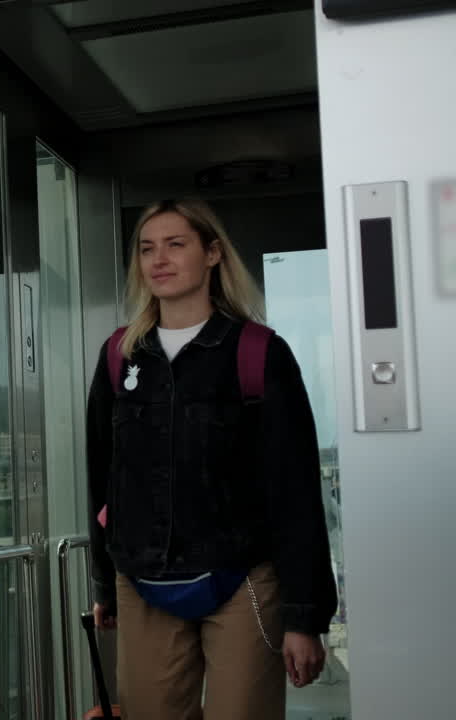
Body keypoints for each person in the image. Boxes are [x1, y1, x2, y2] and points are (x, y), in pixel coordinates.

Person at [86, 198, 338, 720]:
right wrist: (103, 583)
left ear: (213, 253)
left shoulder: (258, 352)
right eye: (147, 248)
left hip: (243, 578)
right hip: (142, 581)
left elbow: (294, 493)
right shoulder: (119, 356)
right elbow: (103, 480)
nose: (159, 259)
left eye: (176, 245)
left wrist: (304, 616)